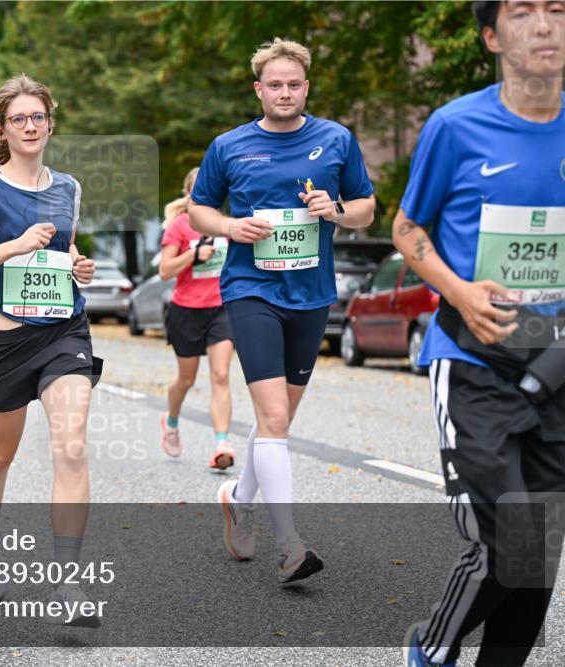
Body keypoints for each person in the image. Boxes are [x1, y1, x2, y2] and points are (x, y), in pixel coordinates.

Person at [392, 3, 565, 666]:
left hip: (555, 359)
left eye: (558, 9)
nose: (545, 24)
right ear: (492, 36)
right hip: (473, 359)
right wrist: (459, 292)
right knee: (507, 540)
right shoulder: (455, 126)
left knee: (539, 547)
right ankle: (431, 649)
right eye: (523, 11)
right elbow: (408, 229)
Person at [190, 38, 376, 583]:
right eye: (275, 85)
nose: (285, 93)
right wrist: (229, 226)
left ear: (306, 87)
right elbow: (199, 209)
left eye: (294, 84)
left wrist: (334, 209)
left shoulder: (336, 139)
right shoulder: (229, 146)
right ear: (259, 90)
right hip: (251, 289)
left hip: (311, 295)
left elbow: (366, 209)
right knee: (273, 419)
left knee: (278, 420)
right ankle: (290, 544)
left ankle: (238, 500)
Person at [0, 74, 102, 626]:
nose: (30, 126)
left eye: (38, 117)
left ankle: (68, 582)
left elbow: (63, 246)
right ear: (1, 130)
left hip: (62, 332)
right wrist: (13, 245)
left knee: (72, 446)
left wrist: (78, 264)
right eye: (19, 119)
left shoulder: (69, 188)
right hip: (3, 342)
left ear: (50, 125)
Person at [158, 166, 237, 469]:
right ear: (188, 193)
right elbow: (165, 271)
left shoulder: (227, 224)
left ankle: (222, 444)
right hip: (186, 311)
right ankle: (171, 421)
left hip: (221, 309)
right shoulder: (179, 226)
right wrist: (193, 255)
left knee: (221, 375)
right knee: (187, 378)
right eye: (197, 187)